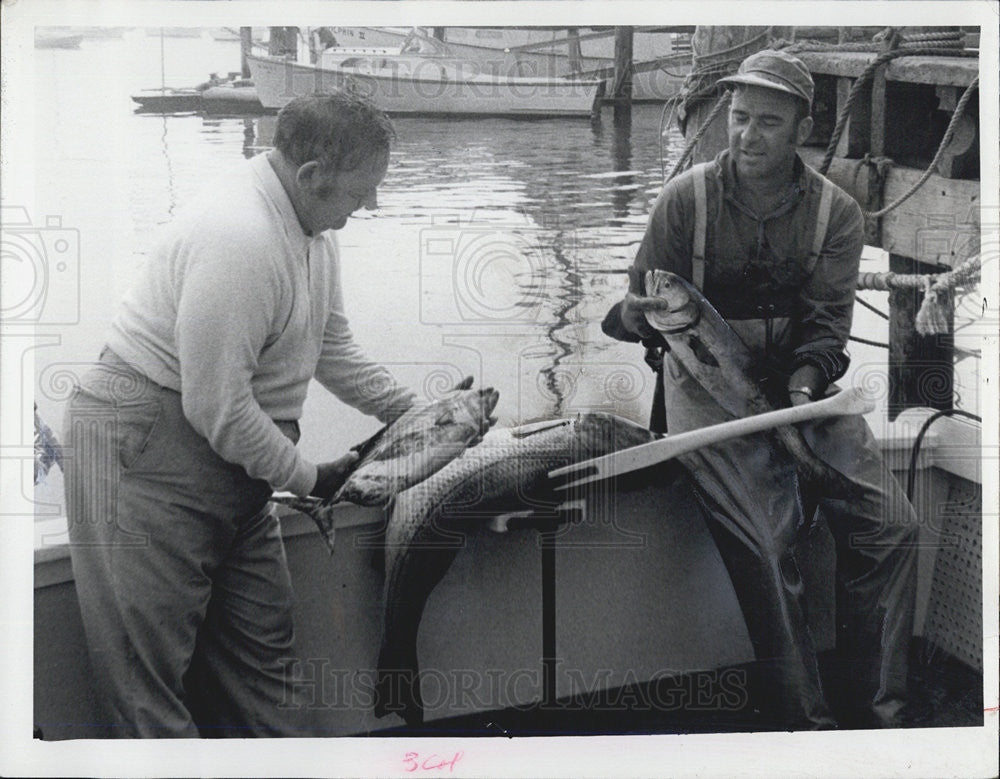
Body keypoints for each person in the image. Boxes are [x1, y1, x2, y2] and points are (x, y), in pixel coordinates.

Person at [63, 93, 425, 737]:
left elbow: (331, 348)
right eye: (362, 191)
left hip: (234, 465)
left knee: (265, 667)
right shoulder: (241, 237)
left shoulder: (310, 226)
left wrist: (426, 416)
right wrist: (312, 478)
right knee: (147, 684)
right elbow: (217, 405)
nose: (371, 205)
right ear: (311, 175)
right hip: (143, 448)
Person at [603, 50, 919, 729]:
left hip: (798, 386)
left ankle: (880, 716)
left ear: (803, 127)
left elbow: (827, 329)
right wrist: (631, 316)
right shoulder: (684, 200)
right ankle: (805, 725)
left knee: (893, 525)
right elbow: (631, 310)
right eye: (739, 118)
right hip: (704, 391)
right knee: (771, 547)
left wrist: (803, 396)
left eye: (767, 122)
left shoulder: (838, 214)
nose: (746, 136)